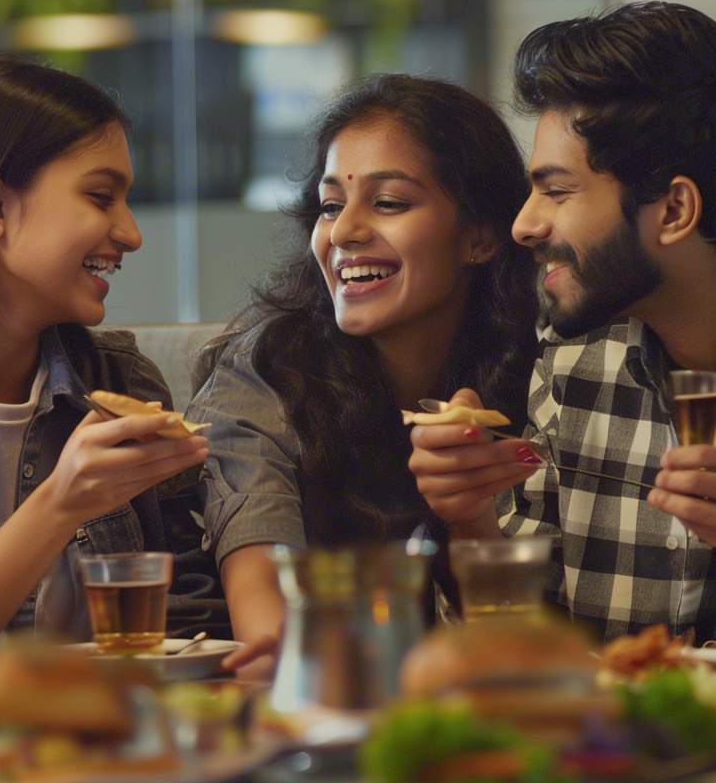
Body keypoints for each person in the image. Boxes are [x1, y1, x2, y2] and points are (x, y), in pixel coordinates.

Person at [186, 73, 539, 659]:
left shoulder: (550, 373)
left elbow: (526, 649)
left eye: (390, 203)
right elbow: (269, 626)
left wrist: (472, 519)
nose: (343, 231)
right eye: (330, 205)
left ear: (480, 238)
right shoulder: (266, 373)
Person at [409, 1, 716, 643]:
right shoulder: (579, 356)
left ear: (675, 208)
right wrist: (468, 520)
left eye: (557, 191)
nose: (523, 225)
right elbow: (524, 653)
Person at [0, 53, 224, 643]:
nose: (131, 233)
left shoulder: (122, 384)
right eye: (101, 197)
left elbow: (189, 620)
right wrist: (60, 503)